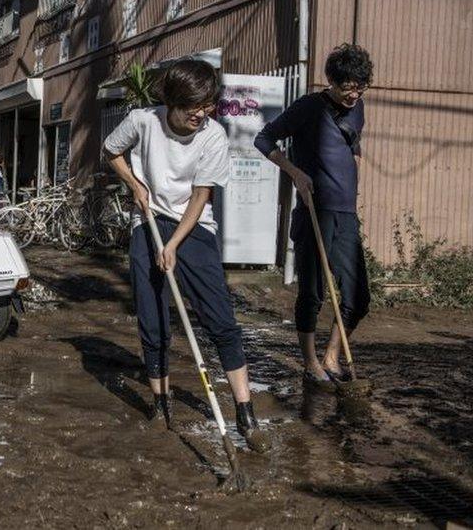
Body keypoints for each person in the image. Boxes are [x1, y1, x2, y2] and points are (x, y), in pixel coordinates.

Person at [103, 59, 270, 452]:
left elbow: (200, 196)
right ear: (171, 102)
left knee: (220, 319)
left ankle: (245, 411)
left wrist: (174, 244)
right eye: (193, 106)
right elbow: (110, 150)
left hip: (192, 228)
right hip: (147, 221)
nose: (201, 113)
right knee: (153, 319)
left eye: (207, 105)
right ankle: (160, 405)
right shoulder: (142, 121)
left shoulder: (212, 135)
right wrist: (134, 183)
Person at [254, 43, 373, 390]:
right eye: (347, 86)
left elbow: (353, 144)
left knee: (357, 297)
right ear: (332, 82)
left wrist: (353, 175)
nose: (353, 94)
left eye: (359, 86)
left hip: (345, 213)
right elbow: (264, 139)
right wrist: (295, 172)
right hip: (313, 212)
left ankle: (332, 356)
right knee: (313, 293)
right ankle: (309, 363)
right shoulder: (309, 107)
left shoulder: (358, 108)